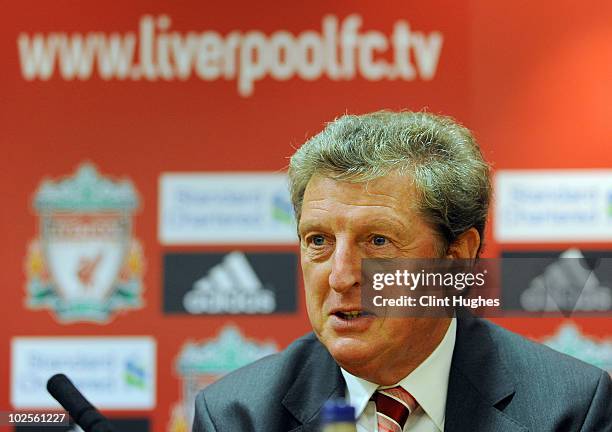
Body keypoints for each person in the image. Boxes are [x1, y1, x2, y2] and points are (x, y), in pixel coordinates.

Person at [193, 111, 612, 431]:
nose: (340, 277)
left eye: (378, 242)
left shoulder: (568, 410)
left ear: (457, 256)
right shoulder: (237, 416)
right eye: (318, 241)